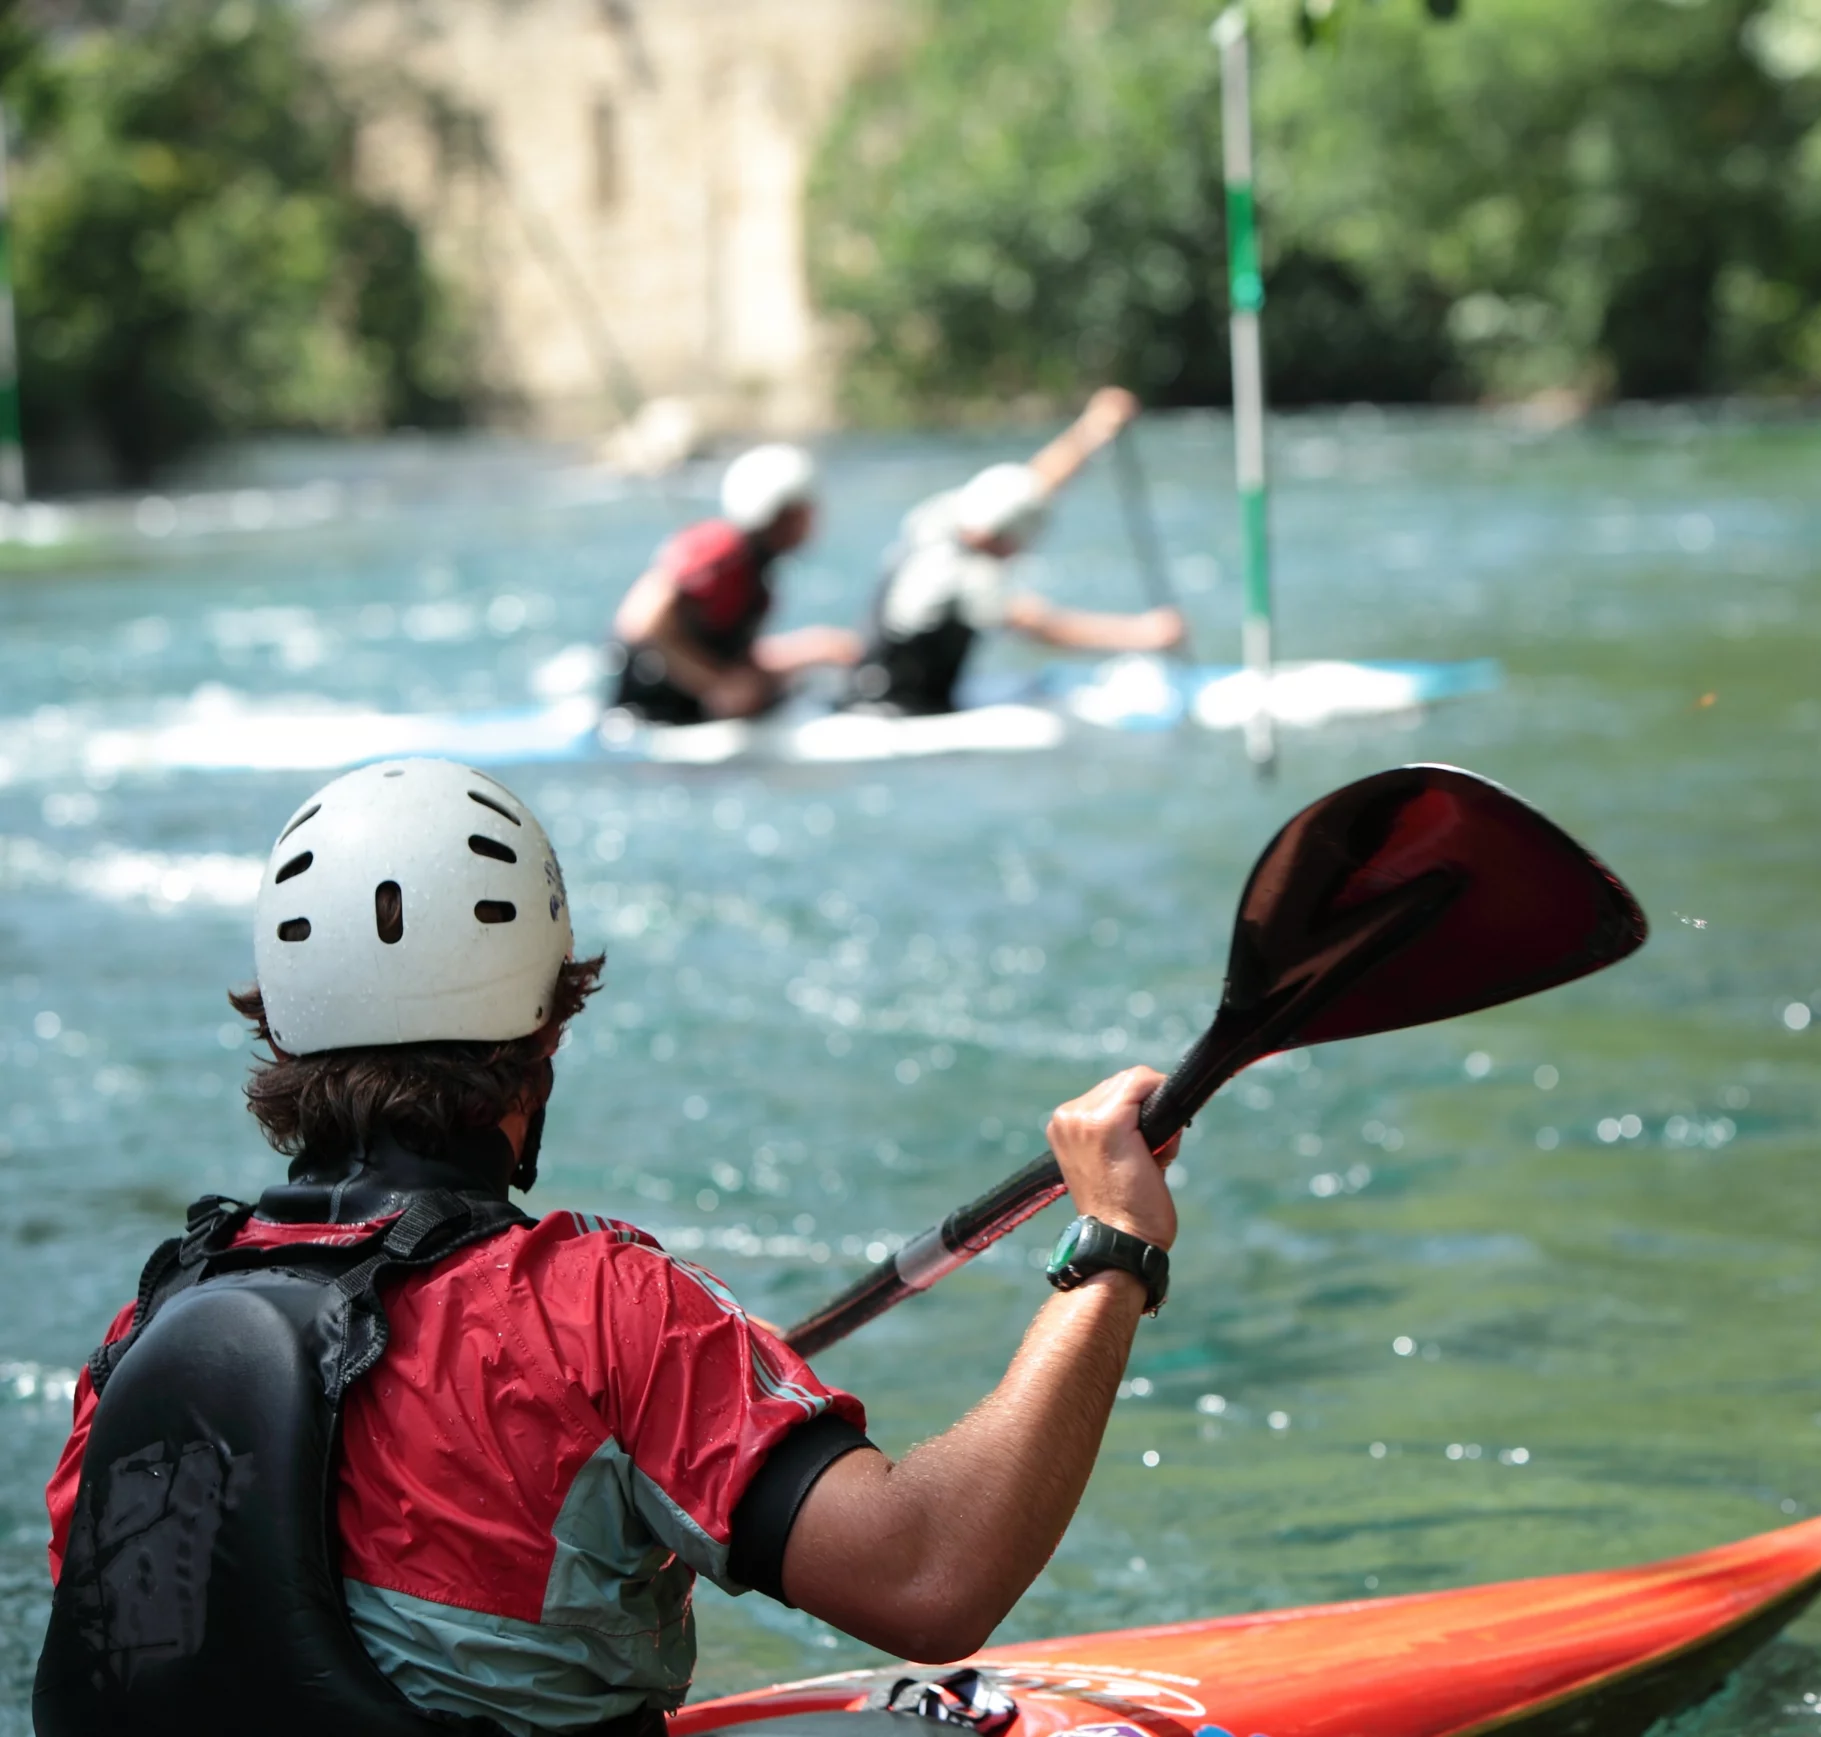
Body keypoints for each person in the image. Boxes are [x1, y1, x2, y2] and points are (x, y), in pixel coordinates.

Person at [36, 758, 1181, 1737]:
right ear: (544, 1034)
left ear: (281, 1034)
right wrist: (1114, 1245)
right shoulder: (598, 1313)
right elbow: (930, 1577)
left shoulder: (140, 1345)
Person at [847, 387, 1187, 715]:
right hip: (898, 704)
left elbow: (1036, 482)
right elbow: (1041, 626)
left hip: (875, 677)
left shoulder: (946, 514)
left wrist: (1095, 427)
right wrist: (1143, 634)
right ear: (1008, 545)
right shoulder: (962, 579)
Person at [610, 444, 863, 724]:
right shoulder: (721, 551)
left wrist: (815, 648)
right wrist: (717, 686)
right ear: (786, 514)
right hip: (654, 710)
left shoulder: (753, 564)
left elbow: (729, 654)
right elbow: (639, 623)